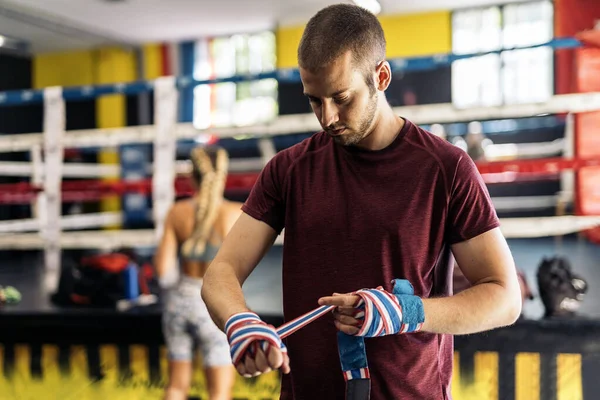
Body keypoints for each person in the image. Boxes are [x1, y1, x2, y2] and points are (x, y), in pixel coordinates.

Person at [201, 4, 522, 399]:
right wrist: (239, 321)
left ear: (380, 76)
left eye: (341, 98)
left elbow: (505, 298)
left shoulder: (445, 168)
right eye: (315, 101)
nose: (327, 116)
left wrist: (410, 312)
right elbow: (221, 272)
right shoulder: (289, 170)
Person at [155, 145, 242, 400]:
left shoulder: (177, 212)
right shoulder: (237, 213)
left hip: (179, 302)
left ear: (191, 177)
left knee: (175, 387)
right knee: (219, 393)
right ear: (223, 176)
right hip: (216, 306)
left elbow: (163, 272)